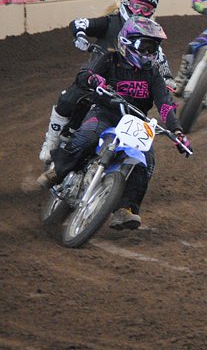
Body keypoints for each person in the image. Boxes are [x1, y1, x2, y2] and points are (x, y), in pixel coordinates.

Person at [38, 17, 191, 231]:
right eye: (144, 46)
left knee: (146, 161)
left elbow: (165, 103)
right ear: (126, 42)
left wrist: (177, 131)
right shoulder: (109, 59)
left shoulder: (153, 72)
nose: (148, 53)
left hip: (135, 121)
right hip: (105, 111)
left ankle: (125, 210)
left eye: (153, 47)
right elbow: (85, 74)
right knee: (88, 136)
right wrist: (93, 80)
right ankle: (58, 172)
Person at [38, 0, 172, 165]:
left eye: (146, 9)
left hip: (122, 85)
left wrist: (168, 78)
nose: (140, 12)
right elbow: (79, 23)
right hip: (95, 76)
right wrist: (80, 36)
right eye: (136, 6)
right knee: (68, 99)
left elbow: (159, 57)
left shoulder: (149, 33)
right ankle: (51, 141)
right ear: (125, 3)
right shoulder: (111, 22)